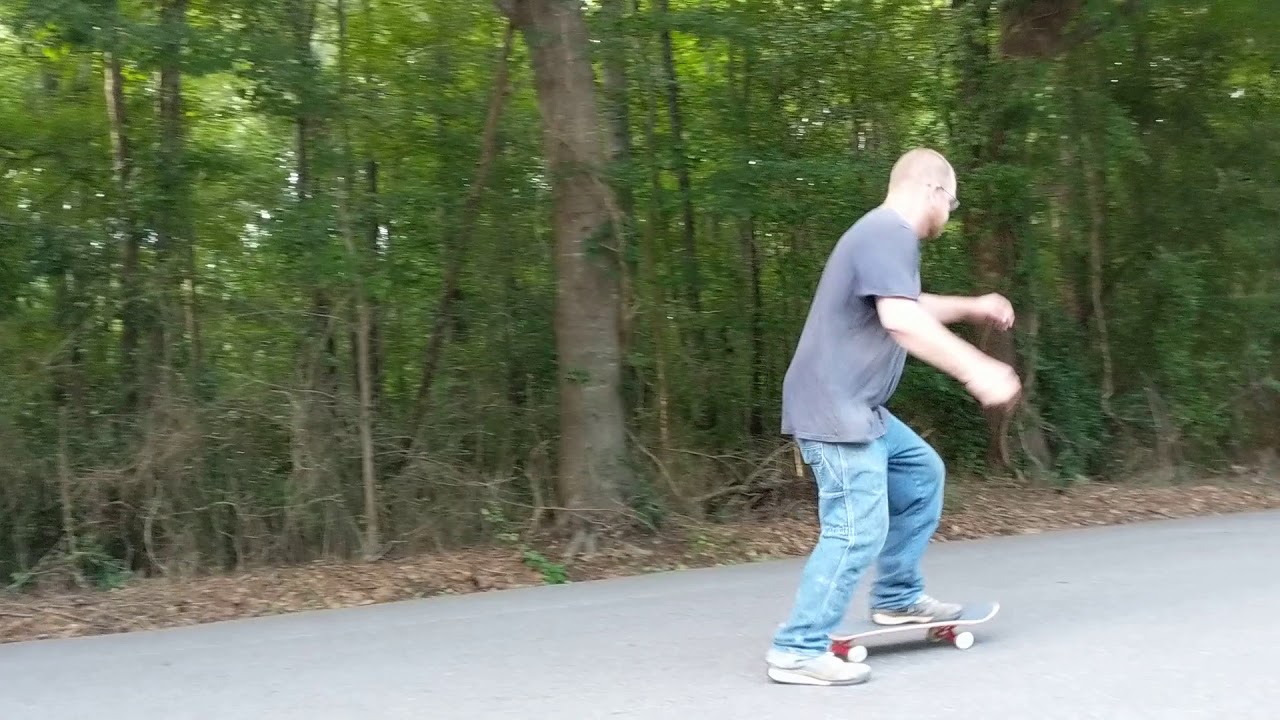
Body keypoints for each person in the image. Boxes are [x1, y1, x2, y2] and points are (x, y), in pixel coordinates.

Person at [765, 148, 1022, 686]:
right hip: (836, 409)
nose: (950, 215)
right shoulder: (888, 231)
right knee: (857, 528)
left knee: (921, 473)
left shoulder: (881, 237)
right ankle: (797, 647)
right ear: (931, 191)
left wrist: (974, 305)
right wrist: (976, 368)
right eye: (951, 202)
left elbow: (908, 301)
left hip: (861, 408)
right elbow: (900, 318)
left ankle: (898, 598)